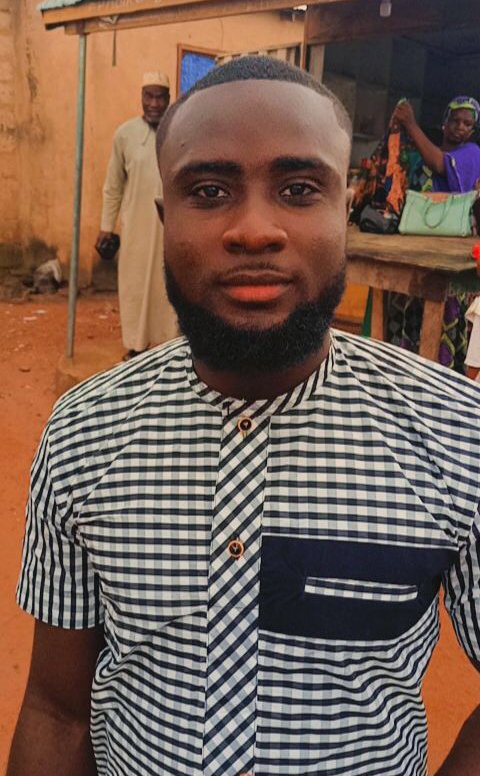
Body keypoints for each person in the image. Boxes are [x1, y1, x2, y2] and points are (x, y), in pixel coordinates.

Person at [8, 57, 480, 776]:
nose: (255, 230)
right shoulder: (84, 434)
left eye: (298, 189)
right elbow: (56, 710)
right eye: (209, 190)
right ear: (163, 220)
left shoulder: (456, 434)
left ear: (343, 213)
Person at [386, 96, 480, 370]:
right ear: (444, 124)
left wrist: (410, 124)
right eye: (455, 120)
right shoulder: (422, 158)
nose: (460, 127)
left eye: (467, 124)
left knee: (441, 327)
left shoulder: (472, 153)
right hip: (415, 251)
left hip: (448, 257)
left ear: (472, 130)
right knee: (407, 319)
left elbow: (440, 164)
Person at [96, 71, 177, 360]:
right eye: (148, 96)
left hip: (171, 227)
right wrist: (106, 227)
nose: (154, 103)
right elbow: (113, 185)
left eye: (160, 97)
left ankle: (168, 347)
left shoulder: (178, 132)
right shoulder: (125, 135)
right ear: (141, 98)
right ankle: (136, 345)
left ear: (168, 99)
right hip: (136, 228)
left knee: (168, 285)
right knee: (134, 284)